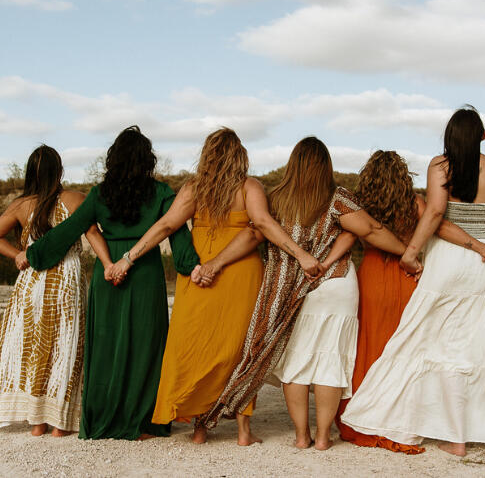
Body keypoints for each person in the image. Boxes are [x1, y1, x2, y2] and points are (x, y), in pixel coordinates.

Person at [193, 137, 413, 451]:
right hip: (335, 285)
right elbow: (371, 230)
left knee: (296, 361)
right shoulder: (338, 198)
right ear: (326, 166)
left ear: (292, 164)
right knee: (330, 360)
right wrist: (408, 253)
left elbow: (254, 233)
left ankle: (301, 436)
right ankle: (323, 437)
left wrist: (216, 263)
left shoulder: (275, 199)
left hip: (290, 290)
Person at [110, 128, 324, 446]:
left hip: (198, 273)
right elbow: (263, 225)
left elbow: (166, 225)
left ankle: (201, 428)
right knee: (240, 350)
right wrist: (302, 255)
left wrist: (128, 258)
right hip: (240, 272)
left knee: (198, 345)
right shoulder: (250, 187)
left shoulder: (194, 189)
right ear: (240, 156)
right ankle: (243, 431)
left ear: (207, 155)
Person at [341, 107, 485, 456]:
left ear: (449, 137)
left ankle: (455, 438)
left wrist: (411, 253)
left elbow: (436, 212)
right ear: (483, 136)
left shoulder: (441, 166)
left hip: (450, 261)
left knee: (433, 342)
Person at [24, 127, 200, 440]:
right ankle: (144, 422)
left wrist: (36, 254)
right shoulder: (161, 193)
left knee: (106, 345)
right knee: (146, 344)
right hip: (144, 271)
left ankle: (104, 417)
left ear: (113, 159)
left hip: (107, 276)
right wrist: (191, 264)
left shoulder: (99, 193)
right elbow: (175, 231)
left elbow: (73, 227)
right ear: (147, 159)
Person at [0, 145, 111, 436]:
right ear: (60, 171)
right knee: (66, 345)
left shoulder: (21, 205)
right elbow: (93, 233)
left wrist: (16, 254)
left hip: (32, 280)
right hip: (66, 278)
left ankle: (37, 422)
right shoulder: (76, 199)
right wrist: (109, 264)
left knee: (34, 346)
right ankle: (60, 423)